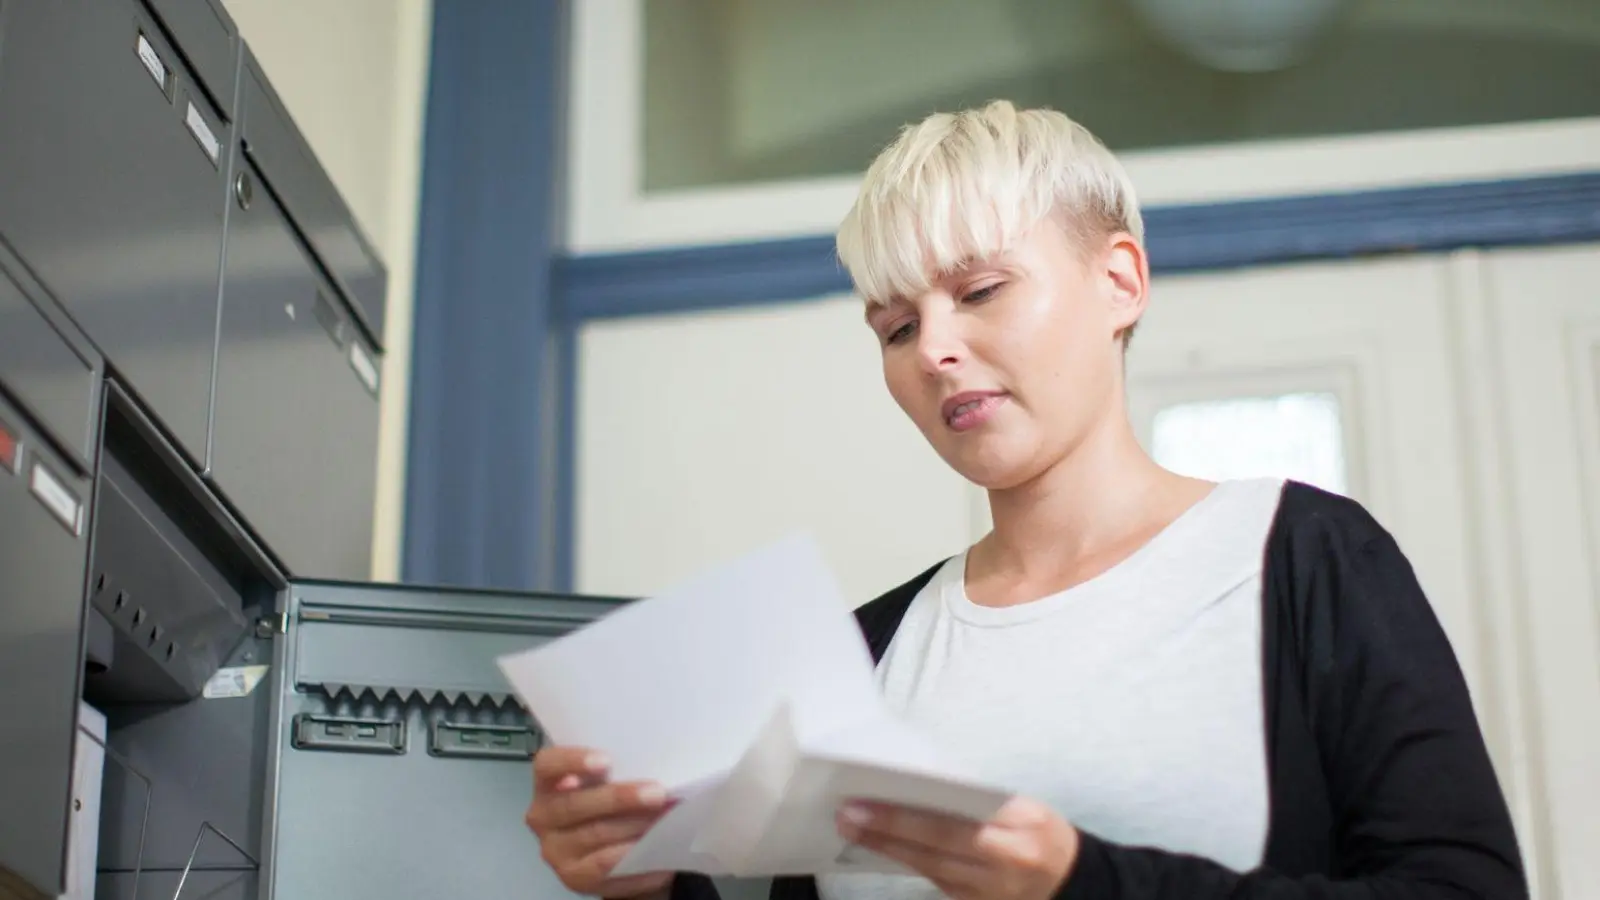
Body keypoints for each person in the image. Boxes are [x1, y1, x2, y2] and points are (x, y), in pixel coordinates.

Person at [523, 100, 1526, 900]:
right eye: (894, 327)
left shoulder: (1305, 559)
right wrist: (650, 886)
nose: (936, 350)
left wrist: (1079, 883)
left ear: (1119, 280)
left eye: (982, 289)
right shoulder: (862, 653)